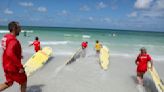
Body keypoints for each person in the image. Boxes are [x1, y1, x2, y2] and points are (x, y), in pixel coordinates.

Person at [0, 21, 27, 92]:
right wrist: (20, 66)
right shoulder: (13, 40)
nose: (20, 30)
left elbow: (7, 50)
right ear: (15, 28)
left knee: (9, 82)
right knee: (24, 81)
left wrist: (18, 55)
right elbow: (9, 53)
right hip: (13, 67)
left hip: (6, 65)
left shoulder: (5, 37)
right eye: (19, 27)